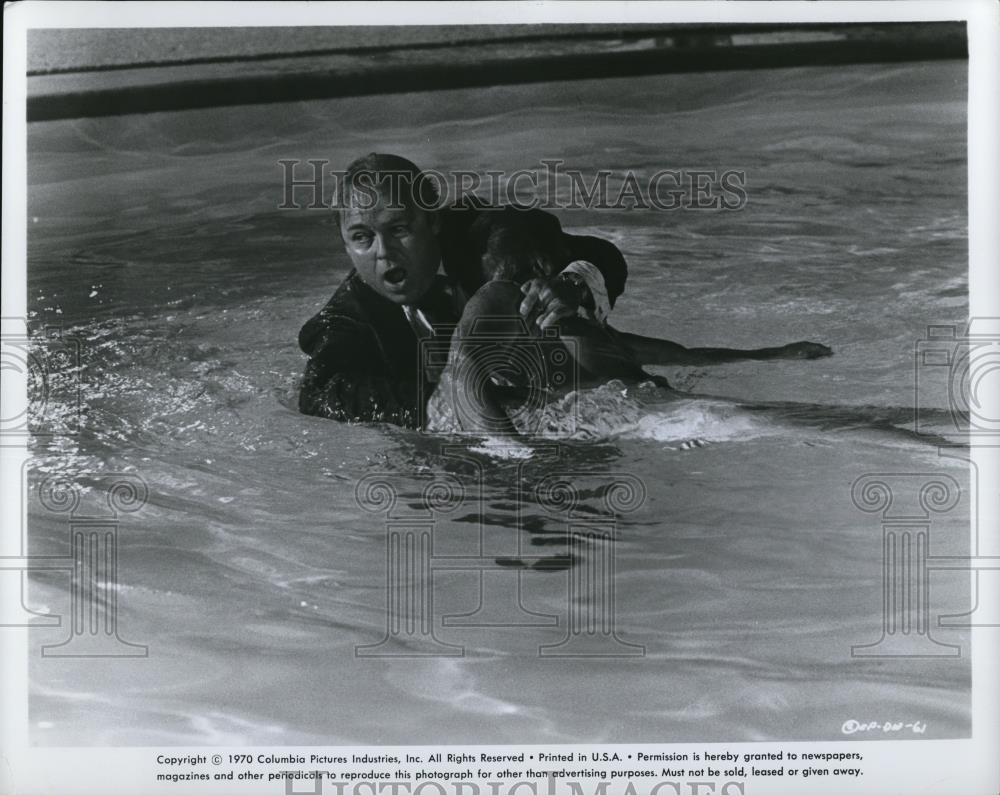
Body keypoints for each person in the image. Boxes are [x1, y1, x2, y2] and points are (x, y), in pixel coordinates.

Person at [297, 153, 831, 433]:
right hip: (493, 400)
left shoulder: (491, 239)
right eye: (362, 239)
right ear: (344, 242)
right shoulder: (351, 314)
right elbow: (320, 392)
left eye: (400, 229)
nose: (383, 255)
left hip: (570, 366)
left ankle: (752, 361)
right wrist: (443, 408)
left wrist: (572, 284)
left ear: (433, 221)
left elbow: (603, 254)